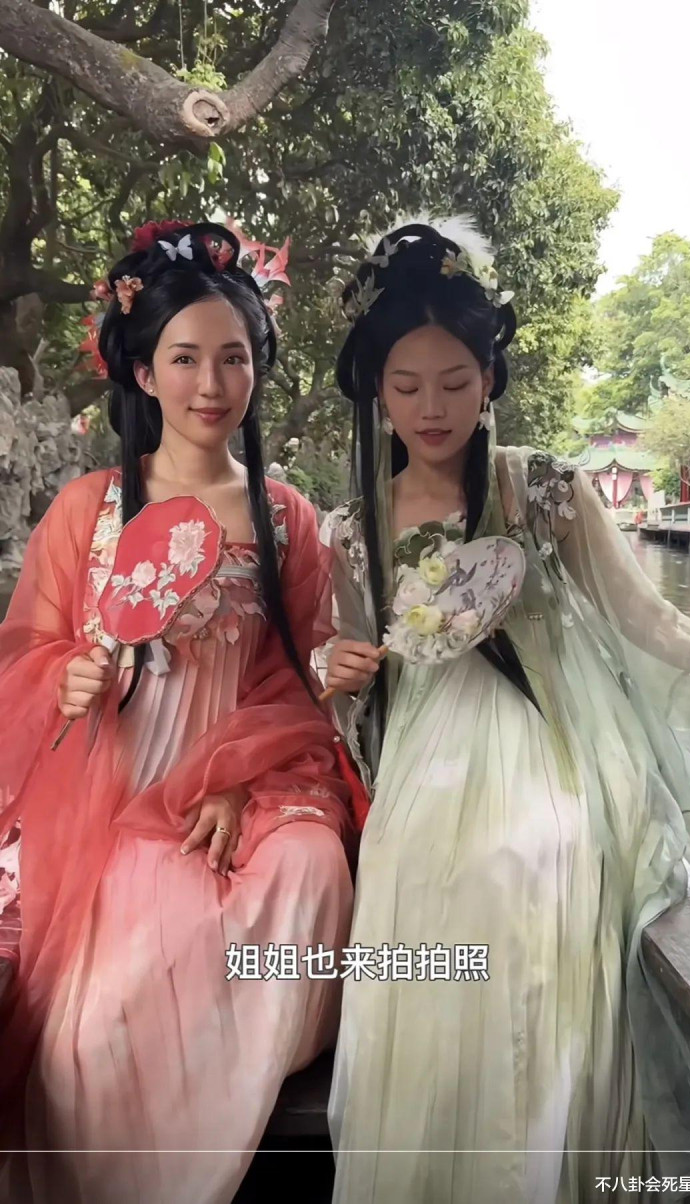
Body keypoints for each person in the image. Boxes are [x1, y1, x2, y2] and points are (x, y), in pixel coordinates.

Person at [322, 219, 690, 1203]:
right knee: (420, 869)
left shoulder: (543, 488)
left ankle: (541, 1146)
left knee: (534, 852)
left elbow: (645, 620)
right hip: (425, 756)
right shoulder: (355, 525)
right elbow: (351, 666)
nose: (431, 408)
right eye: (407, 386)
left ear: (489, 378)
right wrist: (341, 666)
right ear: (379, 392)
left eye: (455, 381)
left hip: (552, 740)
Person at [0, 220, 361, 1203]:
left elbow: (294, 682)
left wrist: (240, 782)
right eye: (186, 357)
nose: (212, 383)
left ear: (258, 368)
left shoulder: (285, 517)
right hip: (110, 789)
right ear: (144, 372)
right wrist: (68, 676)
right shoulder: (89, 509)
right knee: (88, 1028)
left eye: (233, 357)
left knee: (312, 865)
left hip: (243, 784)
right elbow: (26, 651)